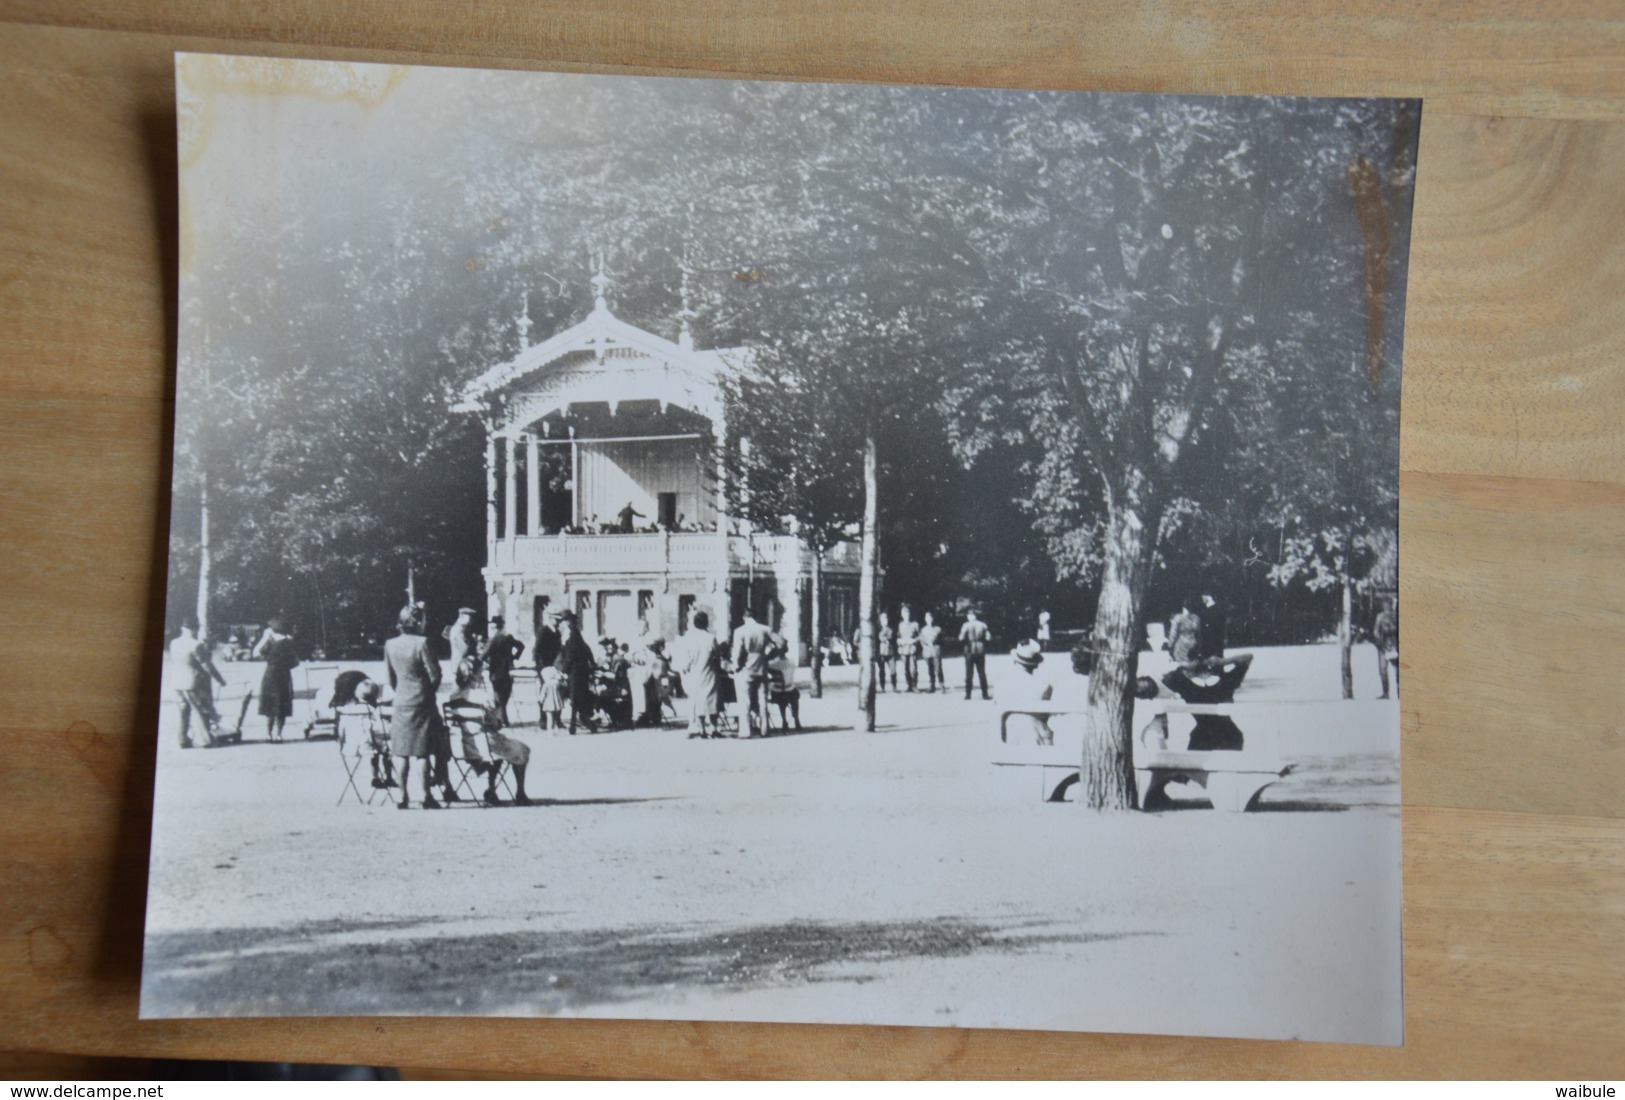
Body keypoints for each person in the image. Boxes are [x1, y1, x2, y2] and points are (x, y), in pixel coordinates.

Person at [386, 604, 447, 809]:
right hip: (422, 702)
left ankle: (402, 796)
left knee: (400, 751)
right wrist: (428, 693)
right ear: (418, 622)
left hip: (401, 701)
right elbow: (435, 674)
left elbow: (390, 678)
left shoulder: (390, 645)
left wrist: (402, 691)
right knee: (422, 752)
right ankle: (425, 796)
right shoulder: (423, 643)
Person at [168, 618, 225, 748]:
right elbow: (207, 665)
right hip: (194, 682)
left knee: (183, 712)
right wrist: (220, 679)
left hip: (177, 682)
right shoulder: (196, 645)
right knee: (200, 710)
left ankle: (182, 740)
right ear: (194, 629)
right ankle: (204, 740)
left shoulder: (174, 643)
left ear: (183, 629)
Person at [251, 617, 298, 743]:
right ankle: (279, 734)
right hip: (284, 675)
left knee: (270, 704)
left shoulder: (269, 641)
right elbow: (295, 662)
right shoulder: (289, 642)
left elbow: (256, 653)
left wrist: (268, 659)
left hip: (270, 674)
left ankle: (268, 734)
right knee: (282, 704)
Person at [730, 606, 774, 737]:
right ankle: (765, 729)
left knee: (744, 701)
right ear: (757, 617)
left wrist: (735, 666)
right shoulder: (766, 629)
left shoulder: (739, 631)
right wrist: (767, 655)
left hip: (745, 669)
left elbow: (737, 652)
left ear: (745, 617)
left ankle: (745, 731)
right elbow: (781, 644)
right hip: (761, 667)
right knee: (763, 700)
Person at [1002, 640, 1054, 745]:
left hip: (1010, 739)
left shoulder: (1002, 684)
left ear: (1015, 660)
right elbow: (1047, 716)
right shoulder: (1044, 686)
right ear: (1036, 665)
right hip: (1037, 740)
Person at [478, 614, 526, 726]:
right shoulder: (508, 638)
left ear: (493, 627)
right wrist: (515, 657)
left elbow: (484, 655)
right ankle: (502, 719)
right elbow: (521, 646)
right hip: (507, 670)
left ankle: (501, 720)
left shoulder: (493, 640)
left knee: (499, 696)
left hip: (495, 672)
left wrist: (482, 662)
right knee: (504, 696)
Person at [554, 612, 597, 734]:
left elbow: (570, 655)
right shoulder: (572, 634)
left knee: (575, 697)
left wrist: (564, 671)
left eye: (564, 621)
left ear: (568, 622)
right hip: (578, 670)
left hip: (577, 671)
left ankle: (579, 724)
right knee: (576, 698)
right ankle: (581, 723)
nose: (562, 623)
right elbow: (586, 648)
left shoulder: (573, 635)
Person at [765, 633, 802, 731]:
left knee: (781, 696)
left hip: (777, 693)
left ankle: (784, 720)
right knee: (795, 693)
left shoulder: (771, 664)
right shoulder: (792, 662)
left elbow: (766, 667)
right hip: (790, 691)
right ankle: (796, 719)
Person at [959, 609, 991, 700]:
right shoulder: (983, 625)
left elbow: (961, 638)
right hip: (980, 649)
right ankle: (985, 694)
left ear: (969, 616)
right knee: (982, 673)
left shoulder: (965, 625)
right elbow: (988, 637)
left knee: (969, 673)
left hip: (969, 650)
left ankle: (968, 694)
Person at [1167, 596, 1203, 669]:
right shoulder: (1196, 618)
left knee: (1181, 664)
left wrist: (1170, 645)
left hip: (1182, 643)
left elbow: (1173, 633)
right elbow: (1199, 633)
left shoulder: (1178, 618)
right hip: (1193, 642)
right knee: (1192, 663)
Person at [1372, 601, 1399, 699]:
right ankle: (1388, 692)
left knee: (1391, 669)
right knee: (1386, 669)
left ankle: (1392, 692)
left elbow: (1376, 631)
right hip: (1388, 646)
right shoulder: (1384, 616)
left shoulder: (1393, 616)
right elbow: (1376, 631)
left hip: (1390, 645)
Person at [443, 607, 480, 675]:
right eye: (470, 618)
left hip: (463, 665)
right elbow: (464, 649)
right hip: (462, 666)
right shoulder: (459, 631)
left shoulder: (463, 629)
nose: (472, 620)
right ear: (462, 616)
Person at [896, 604, 921, 692]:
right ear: (902, 615)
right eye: (904, 614)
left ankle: (915, 685)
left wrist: (913, 640)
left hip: (912, 649)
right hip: (903, 649)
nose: (906, 615)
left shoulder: (915, 624)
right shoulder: (900, 625)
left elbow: (920, 636)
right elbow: (897, 636)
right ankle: (909, 685)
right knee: (905, 668)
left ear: (910, 614)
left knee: (913, 668)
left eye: (907, 613)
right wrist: (899, 641)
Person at [1197, 593, 1227, 663]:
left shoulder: (1217, 610)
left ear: (1209, 597)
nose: (1202, 598)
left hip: (1214, 640)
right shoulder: (1207, 610)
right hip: (1209, 641)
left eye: (1204, 596)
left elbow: (1222, 626)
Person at [918, 611, 944, 692]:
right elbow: (921, 640)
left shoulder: (938, 629)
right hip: (927, 652)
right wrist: (925, 645)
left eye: (930, 618)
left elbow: (942, 641)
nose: (929, 620)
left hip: (936, 650)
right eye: (927, 618)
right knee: (930, 669)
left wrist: (935, 643)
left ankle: (942, 685)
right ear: (925, 619)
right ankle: (932, 686)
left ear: (933, 618)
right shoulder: (923, 630)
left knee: (938, 669)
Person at [874, 611, 897, 693]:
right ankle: (882, 687)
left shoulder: (892, 629)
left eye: (886, 619)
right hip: (881, 652)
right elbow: (876, 641)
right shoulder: (877, 630)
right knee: (882, 671)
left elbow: (894, 639)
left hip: (890, 652)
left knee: (893, 670)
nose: (885, 621)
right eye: (883, 619)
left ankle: (894, 687)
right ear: (880, 620)